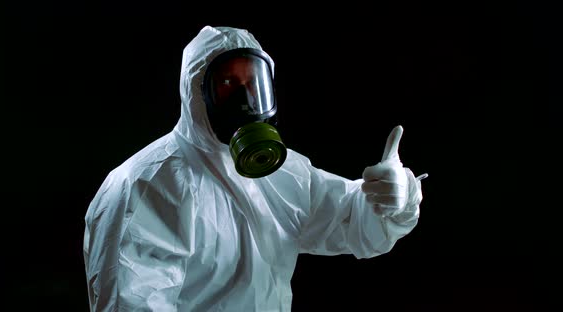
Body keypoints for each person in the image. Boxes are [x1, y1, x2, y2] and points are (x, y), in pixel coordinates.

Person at [83, 25, 428, 311]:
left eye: (254, 84)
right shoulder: (147, 186)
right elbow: (130, 303)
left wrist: (392, 198)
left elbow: (351, 219)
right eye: (228, 84)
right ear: (197, 92)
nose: (245, 100)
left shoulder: (283, 174)